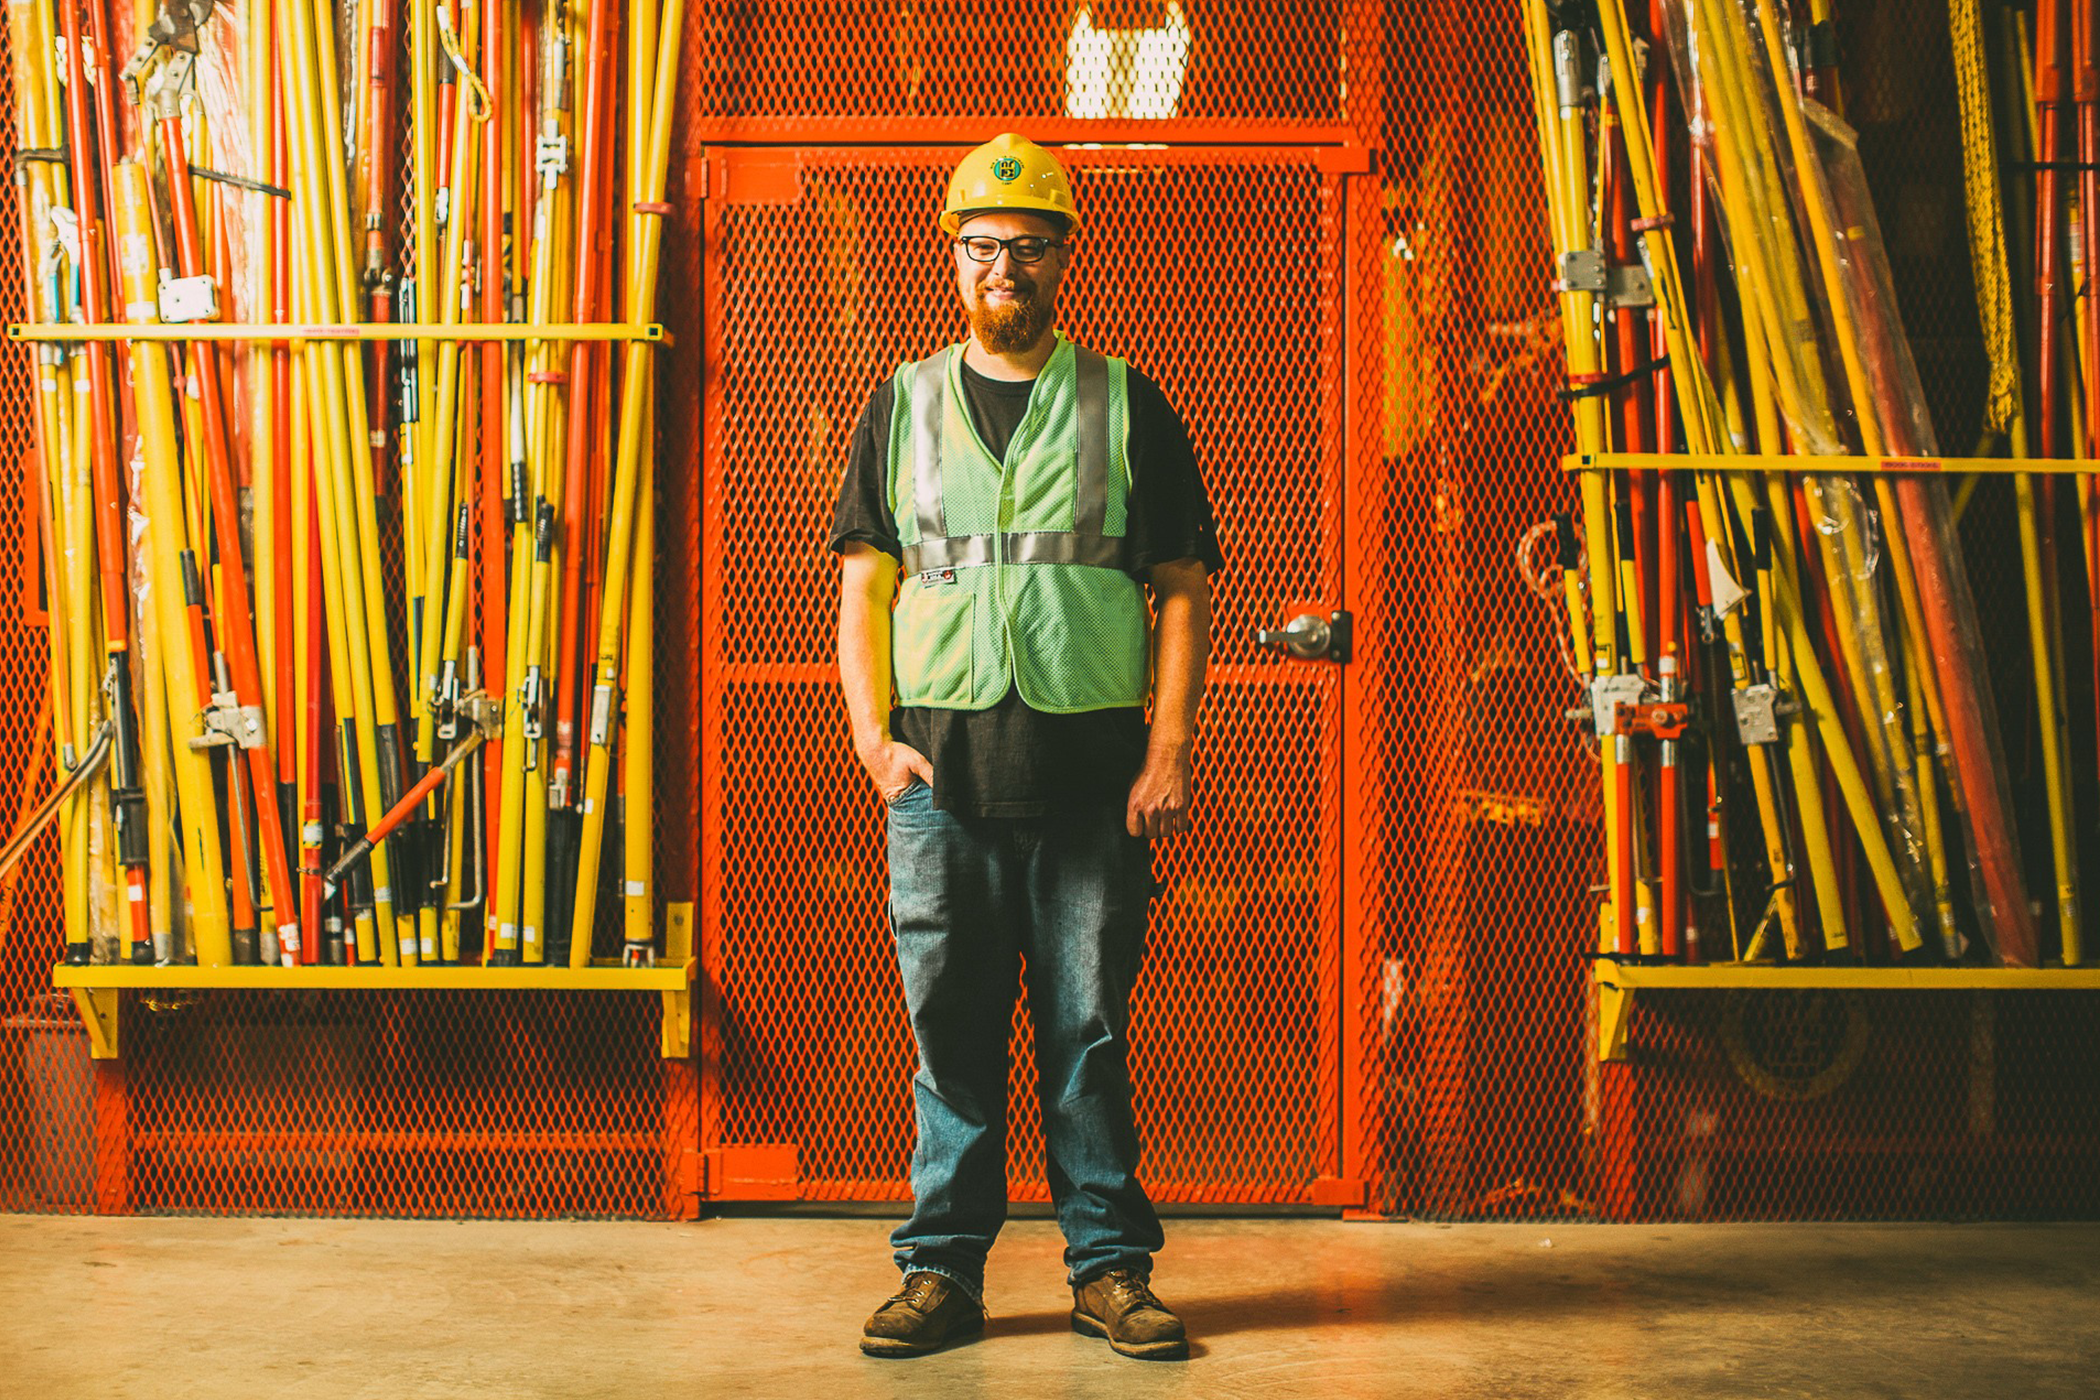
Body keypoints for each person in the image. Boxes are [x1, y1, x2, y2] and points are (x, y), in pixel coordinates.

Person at [830, 132, 1220, 1362]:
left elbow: (1181, 590)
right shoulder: (900, 403)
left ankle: (1109, 1269)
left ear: (1063, 257)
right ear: (955, 257)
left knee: (1087, 1029)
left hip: (1093, 785)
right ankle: (942, 1273)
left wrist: (1167, 753)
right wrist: (872, 743)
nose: (1005, 265)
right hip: (939, 784)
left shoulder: (1124, 401)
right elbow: (865, 593)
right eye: (983, 246)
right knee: (949, 1035)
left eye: (1029, 246)